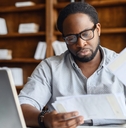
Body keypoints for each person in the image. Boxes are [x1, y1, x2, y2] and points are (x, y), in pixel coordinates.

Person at [19, 2, 126, 128]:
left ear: (98, 30)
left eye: (86, 34)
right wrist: (44, 119)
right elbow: (21, 106)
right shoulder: (50, 67)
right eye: (71, 38)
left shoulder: (122, 63)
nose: (81, 44)